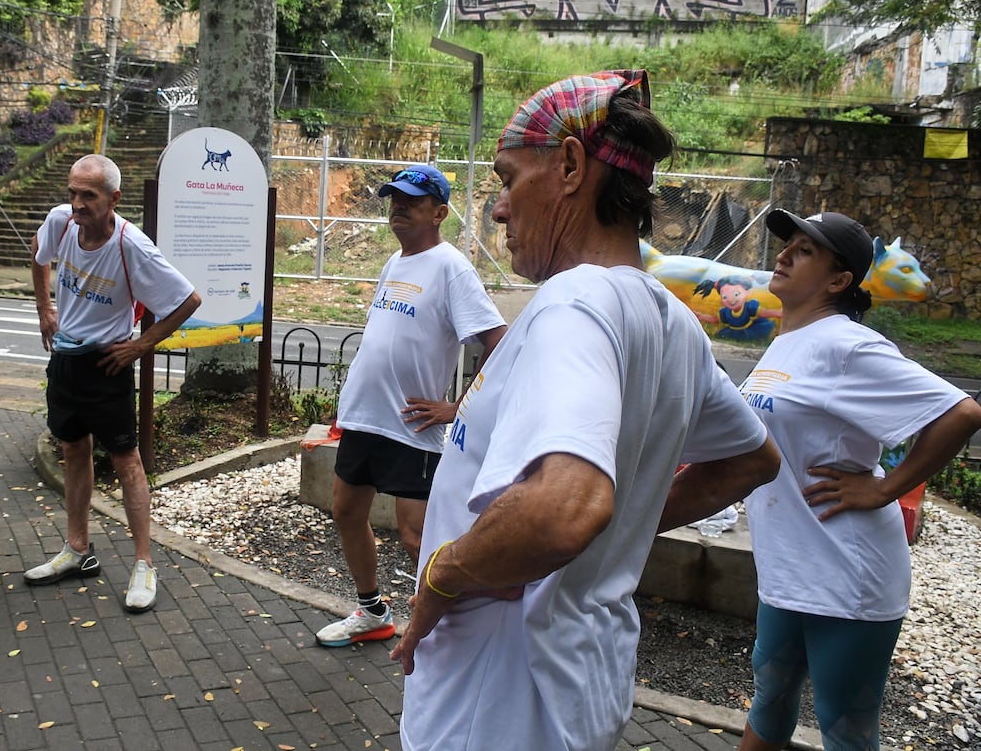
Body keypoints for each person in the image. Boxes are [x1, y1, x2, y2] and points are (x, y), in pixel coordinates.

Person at [390, 71, 781, 751]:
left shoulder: (574, 304)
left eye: (509, 180)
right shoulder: (670, 319)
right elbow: (754, 458)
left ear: (571, 166)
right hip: (578, 684)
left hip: (499, 707)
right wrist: (628, 518)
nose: (501, 209)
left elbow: (563, 506)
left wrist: (440, 579)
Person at [735, 209, 981, 751]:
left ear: (838, 280)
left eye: (803, 250)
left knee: (845, 729)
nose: (782, 255)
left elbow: (959, 413)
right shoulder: (788, 342)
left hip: (849, 578)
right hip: (790, 568)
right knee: (769, 700)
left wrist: (886, 487)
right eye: (787, 245)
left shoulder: (846, 346)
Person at [313, 164, 508, 648]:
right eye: (393, 199)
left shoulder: (451, 267)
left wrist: (458, 407)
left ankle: (447, 633)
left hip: (411, 426)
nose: (397, 207)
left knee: (417, 537)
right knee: (345, 511)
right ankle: (373, 612)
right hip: (365, 417)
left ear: (439, 212)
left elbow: (500, 344)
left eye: (411, 200)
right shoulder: (395, 263)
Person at [25, 154, 200, 614]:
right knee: (73, 452)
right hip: (65, 361)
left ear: (114, 199)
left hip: (108, 366)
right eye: (73, 193)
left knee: (127, 462)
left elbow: (188, 299)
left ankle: (144, 564)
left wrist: (141, 346)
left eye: (89, 196)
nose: (77, 204)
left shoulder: (132, 246)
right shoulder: (60, 223)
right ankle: (78, 549)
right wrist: (45, 307)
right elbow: (38, 253)